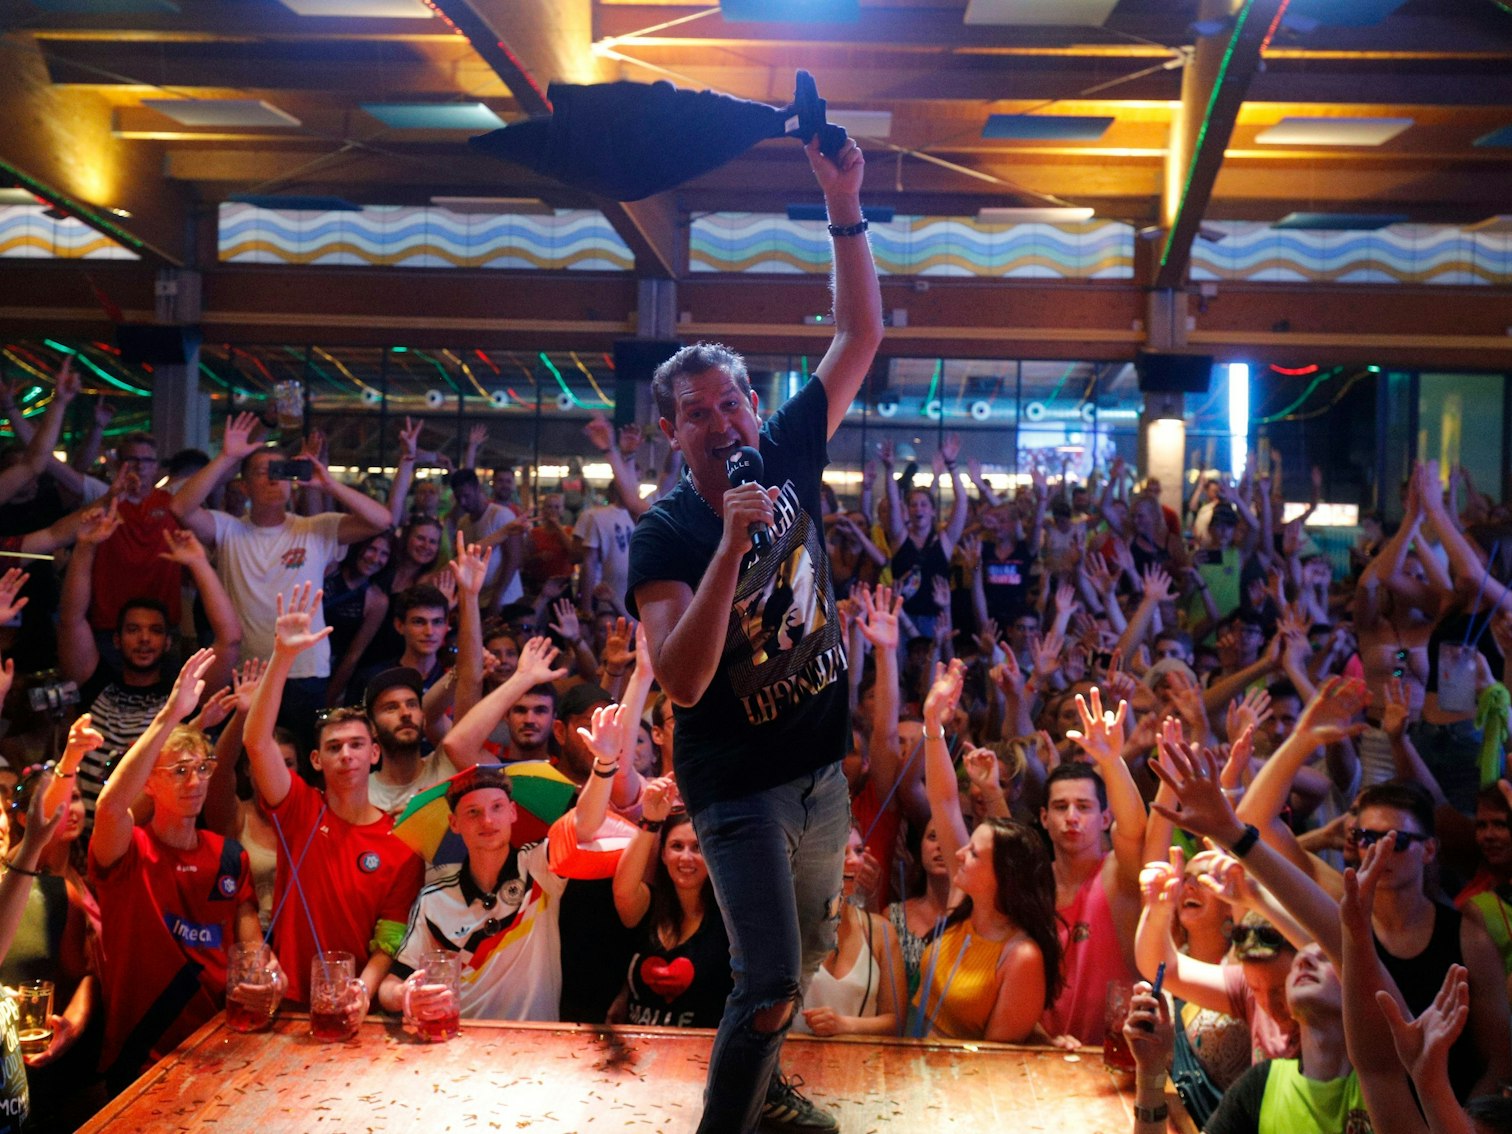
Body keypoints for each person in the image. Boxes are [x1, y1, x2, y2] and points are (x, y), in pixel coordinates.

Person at [627, 133, 883, 1134]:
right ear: (673, 433)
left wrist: (845, 200)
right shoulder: (668, 531)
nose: (726, 419)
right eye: (699, 413)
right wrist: (730, 549)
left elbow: (858, 336)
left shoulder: (782, 446)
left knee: (808, 954)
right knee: (770, 980)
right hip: (734, 780)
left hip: (821, 763)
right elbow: (682, 682)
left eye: (734, 399)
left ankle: (764, 1085)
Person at [242, 584, 423, 1008]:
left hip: (353, 1001)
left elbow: (391, 934)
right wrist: (283, 656)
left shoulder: (400, 839)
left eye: (357, 745)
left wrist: (363, 989)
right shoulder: (300, 806)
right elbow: (256, 742)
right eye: (334, 747)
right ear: (316, 760)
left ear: (375, 753)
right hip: (286, 999)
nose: (346, 755)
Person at [89, 649, 263, 1089]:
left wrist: (265, 978)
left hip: (224, 1045)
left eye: (202, 769)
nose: (196, 782)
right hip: (142, 1058)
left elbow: (252, 952)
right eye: (180, 771)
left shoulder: (229, 855)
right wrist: (172, 714)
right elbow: (110, 806)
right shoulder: (128, 851)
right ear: (149, 780)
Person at [169, 414, 393, 745]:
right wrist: (227, 457)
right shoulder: (229, 528)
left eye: (281, 472)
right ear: (244, 486)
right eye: (262, 472)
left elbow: (382, 520)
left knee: (302, 759)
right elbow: (181, 507)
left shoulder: (315, 528)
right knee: (245, 760)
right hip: (248, 672)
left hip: (306, 671)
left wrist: (328, 482)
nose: (274, 480)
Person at [59, 514, 240, 832]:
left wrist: (198, 563)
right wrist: (86, 547)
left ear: (168, 641)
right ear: (117, 640)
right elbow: (71, 618)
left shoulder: (182, 696)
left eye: (155, 631)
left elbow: (229, 641)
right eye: (133, 630)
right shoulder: (95, 681)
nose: (144, 639)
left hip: (155, 842)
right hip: (86, 838)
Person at [913, 659, 1060, 1042]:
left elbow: (996, 1067)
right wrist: (932, 723)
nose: (959, 854)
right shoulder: (962, 905)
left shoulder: (1021, 955)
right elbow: (944, 801)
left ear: (1004, 875)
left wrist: (996, 792)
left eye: (974, 854)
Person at [378, 764, 570, 1024]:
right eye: (473, 812)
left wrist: (604, 766)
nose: (487, 821)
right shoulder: (433, 901)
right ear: (454, 823)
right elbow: (389, 987)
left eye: (497, 807)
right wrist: (405, 995)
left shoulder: (539, 868)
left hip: (534, 1044)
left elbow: (586, 825)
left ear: (513, 812)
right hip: (458, 1042)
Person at [612, 777, 732, 1029]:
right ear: (664, 855)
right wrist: (651, 821)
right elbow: (622, 890)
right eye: (677, 846)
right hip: (638, 1050)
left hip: (697, 1056)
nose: (686, 857)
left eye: (697, 848)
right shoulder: (649, 905)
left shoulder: (729, 920)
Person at [793, 823, 907, 1038]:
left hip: (859, 1065)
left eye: (859, 850)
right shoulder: (790, 926)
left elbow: (896, 1023)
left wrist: (843, 1025)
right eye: (841, 851)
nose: (853, 861)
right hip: (793, 1063)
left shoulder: (881, 931)